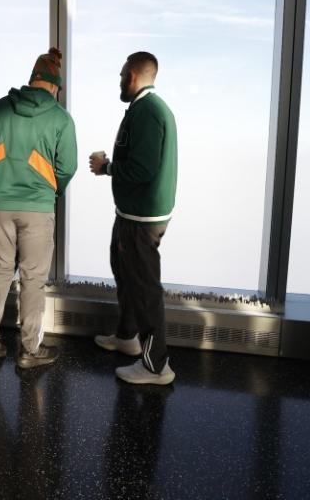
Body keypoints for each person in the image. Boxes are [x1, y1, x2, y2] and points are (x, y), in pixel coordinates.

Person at [0, 48, 77, 369]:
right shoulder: (60, 118)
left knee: (0, 269)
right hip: (38, 208)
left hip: (0, 205)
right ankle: (30, 350)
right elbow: (68, 166)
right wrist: (48, 189)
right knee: (33, 278)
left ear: (32, 80)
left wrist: (1, 180)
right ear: (54, 86)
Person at [89, 51, 177, 385]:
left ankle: (157, 366)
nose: (120, 80)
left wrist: (106, 167)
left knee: (144, 288)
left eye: (122, 74)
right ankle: (127, 337)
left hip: (142, 218)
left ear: (133, 76)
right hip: (133, 214)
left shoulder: (148, 112)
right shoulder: (145, 109)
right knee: (125, 274)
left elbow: (142, 169)